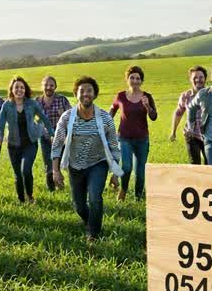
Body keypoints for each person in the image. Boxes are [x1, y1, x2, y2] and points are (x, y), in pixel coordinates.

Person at [51, 76, 122, 242]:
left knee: (95, 197)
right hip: (75, 166)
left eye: (89, 90)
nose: (86, 94)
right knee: (79, 205)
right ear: (76, 94)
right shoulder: (67, 118)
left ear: (95, 94)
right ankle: (91, 220)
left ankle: (93, 234)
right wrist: (55, 170)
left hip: (98, 163)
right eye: (82, 91)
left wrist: (116, 173)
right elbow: (57, 144)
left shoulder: (105, 119)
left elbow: (114, 147)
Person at [0, 76, 54, 204]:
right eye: (16, 87)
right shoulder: (7, 105)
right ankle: (21, 199)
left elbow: (44, 118)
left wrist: (51, 133)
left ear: (25, 89)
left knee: (25, 170)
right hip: (13, 144)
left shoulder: (32, 104)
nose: (19, 90)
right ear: (12, 89)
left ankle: (30, 196)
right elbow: (0, 125)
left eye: (22, 87)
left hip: (30, 143)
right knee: (17, 174)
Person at [110, 65, 157, 200]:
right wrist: (106, 125)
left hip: (142, 139)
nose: (135, 80)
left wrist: (147, 106)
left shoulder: (147, 96)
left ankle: (138, 196)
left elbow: (154, 117)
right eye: (132, 77)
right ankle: (123, 190)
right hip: (124, 138)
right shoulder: (120, 96)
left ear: (141, 81)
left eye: (138, 78)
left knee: (140, 172)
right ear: (127, 79)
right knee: (127, 166)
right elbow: (112, 111)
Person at [36, 75, 71, 192]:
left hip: (62, 137)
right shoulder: (37, 101)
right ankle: (51, 189)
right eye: (46, 85)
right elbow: (34, 120)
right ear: (42, 86)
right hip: (45, 138)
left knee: (61, 163)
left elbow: (71, 117)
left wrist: (63, 115)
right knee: (48, 164)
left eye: (51, 85)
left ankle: (61, 186)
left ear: (55, 87)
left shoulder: (62, 100)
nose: (48, 87)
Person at [170, 66, 207, 165]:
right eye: (195, 77)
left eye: (201, 77)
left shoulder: (210, 94)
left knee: (210, 165)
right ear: (191, 79)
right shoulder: (185, 96)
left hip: (209, 135)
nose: (198, 80)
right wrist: (173, 132)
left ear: (205, 79)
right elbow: (178, 113)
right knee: (195, 165)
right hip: (191, 135)